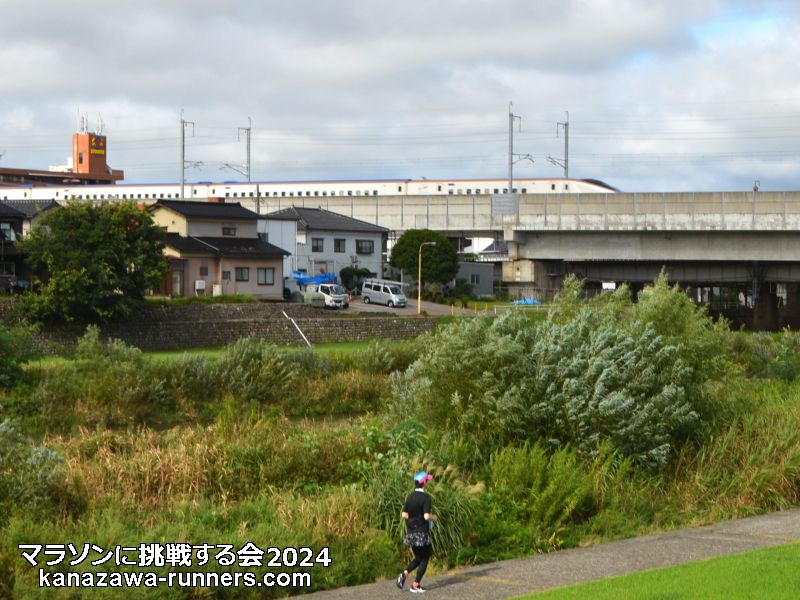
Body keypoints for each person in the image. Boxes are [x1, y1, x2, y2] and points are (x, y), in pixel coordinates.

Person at [396, 471, 437, 593]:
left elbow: (404, 514)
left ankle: (404, 573)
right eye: (427, 481)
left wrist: (413, 520)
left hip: (411, 533)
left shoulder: (410, 496)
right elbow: (426, 516)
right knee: (425, 558)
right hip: (422, 533)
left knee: (419, 557)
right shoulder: (426, 498)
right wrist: (434, 517)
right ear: (424, 483)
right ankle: (415, 585)